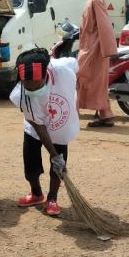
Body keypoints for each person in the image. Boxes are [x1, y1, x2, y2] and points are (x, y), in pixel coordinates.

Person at [10, 48, 80, 216]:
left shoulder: (63, 69)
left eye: (36, 86)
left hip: (59, 121)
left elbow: (77, 65)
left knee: (58, 167)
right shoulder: (20, 95)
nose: (33, 91)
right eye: (28, 87)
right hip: (35, 127)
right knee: (30, 164)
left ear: (45, 74)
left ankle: (52, 198)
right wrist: (54, 155)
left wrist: (75, 92)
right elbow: (37, 125)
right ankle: (36, 193)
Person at [77, 0, 119, 128]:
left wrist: (110, 50)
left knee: (79, 79)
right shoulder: (94, 0)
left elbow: (104, 25)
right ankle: (106, 116)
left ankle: (72, 116)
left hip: (94, 50)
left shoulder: (96, 0)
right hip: (89, 48)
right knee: (97, 84)